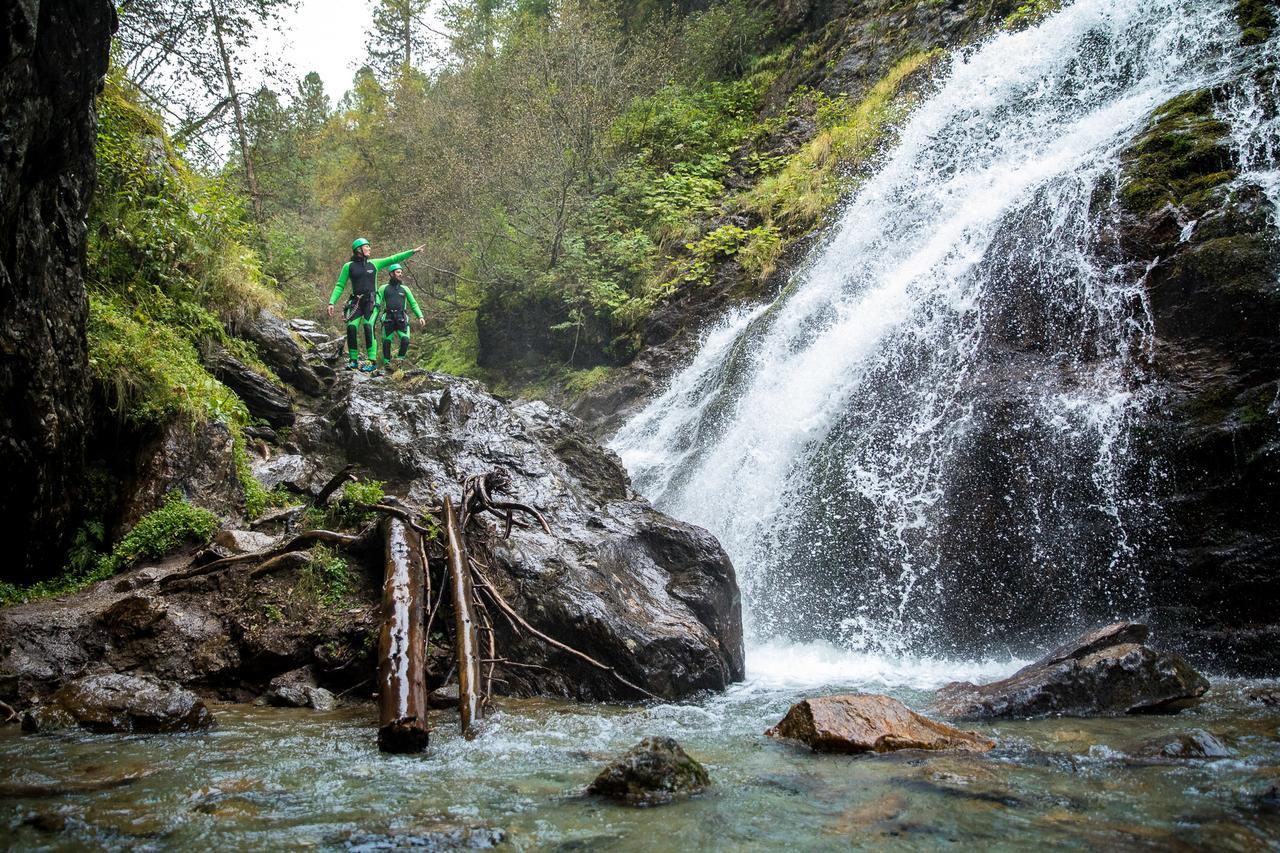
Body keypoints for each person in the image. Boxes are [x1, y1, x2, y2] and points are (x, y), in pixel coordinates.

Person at [327, 237, 424, 371]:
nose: (369, 248)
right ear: (358, 250)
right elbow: (339, 285)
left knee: (368, 325)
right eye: (367, 246)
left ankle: (371, 361)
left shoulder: (374, 264)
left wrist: (412, 251)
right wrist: (332, 302)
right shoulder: (348, 267)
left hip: (371, 301)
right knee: (351, 327)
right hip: (356, 301)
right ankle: (353, 360)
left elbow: (393, 259)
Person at [376, 263, 426, 371]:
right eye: (398, 272)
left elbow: (414, 304)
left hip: (401, 317)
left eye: (401, 272)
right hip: (388, 317)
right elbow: (377, 304)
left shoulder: (405, 289)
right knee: (386, 342)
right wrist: (372, 318)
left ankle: (399, 361)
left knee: (405, 339)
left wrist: (420, 316)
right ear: (391, 274)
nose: (400, 274)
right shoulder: (383, 288)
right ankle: (387, 364)